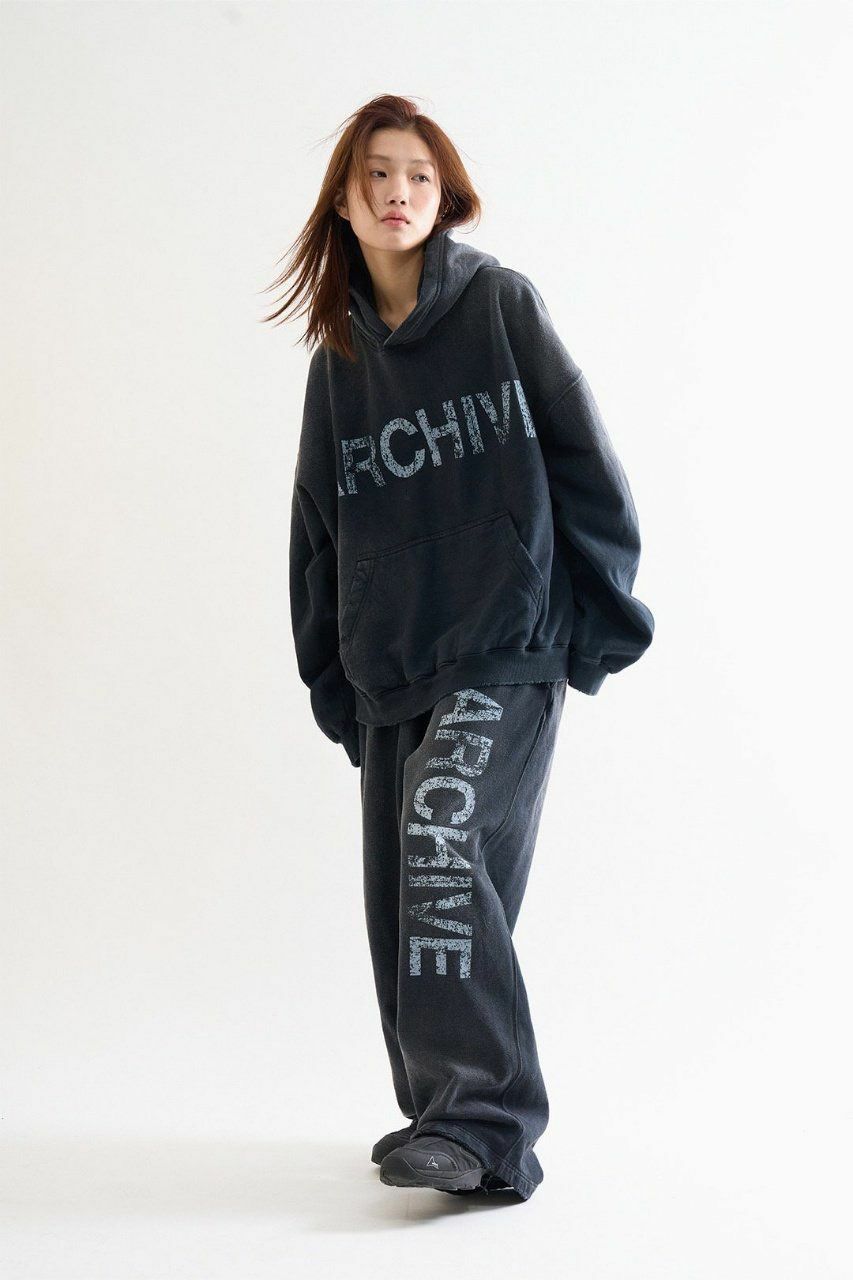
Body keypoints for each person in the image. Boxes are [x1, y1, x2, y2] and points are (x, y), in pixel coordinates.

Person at [270, 94, 654, 1201]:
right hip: (393, 665)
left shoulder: (498, 305)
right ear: (343, 203)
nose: (397, 192)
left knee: (439, 836)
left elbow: (586, 462)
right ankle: (446, 1120)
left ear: (445, 198)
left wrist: (595, 620)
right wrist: (334, 679)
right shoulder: (338, 359)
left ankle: (484, 1120)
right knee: (408, 895)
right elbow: (316, 531)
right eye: (376, 175)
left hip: (505, 640)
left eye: (418, 176)